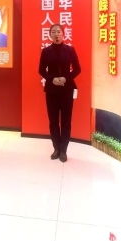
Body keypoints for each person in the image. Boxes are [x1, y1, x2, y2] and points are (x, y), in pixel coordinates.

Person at [38, 23, 81, 162]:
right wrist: (52, 79)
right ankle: (56, 148)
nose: (56, 34)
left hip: (67, 89)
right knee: (53, 120)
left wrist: (65, 78)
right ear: (50, 35)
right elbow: (41, 70)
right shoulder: (46, 51)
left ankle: (64, 150)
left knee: (66, 120)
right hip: (51, 90)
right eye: (54, 32)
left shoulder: (70, 50)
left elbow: (77, 69)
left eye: (59, 32)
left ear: (63, 34)